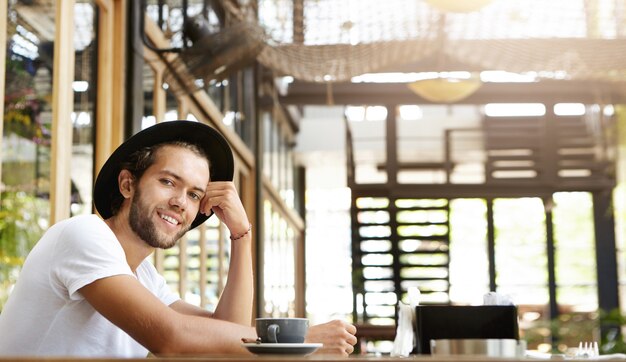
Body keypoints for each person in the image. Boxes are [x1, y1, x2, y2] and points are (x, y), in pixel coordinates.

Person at [0, 120, 357, 357]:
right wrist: (302, 342)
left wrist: (241, 236)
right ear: (128, 184)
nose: (179, 202)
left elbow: (225, 335)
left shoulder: (144, 278)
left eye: (193, 194)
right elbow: (170, 337)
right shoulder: (83, 234)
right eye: (168, 182)